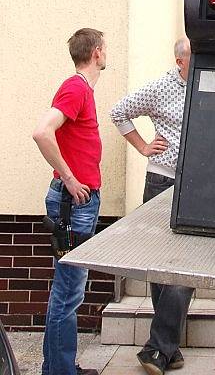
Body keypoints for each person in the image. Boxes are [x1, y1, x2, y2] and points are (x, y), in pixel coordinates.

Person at [110, 36, 192, 374]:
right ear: (179, 61)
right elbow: (119, 113)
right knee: (165, 264)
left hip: (196, 186)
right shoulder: (161, 87)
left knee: (185, 264)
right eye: (193, 56)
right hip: (162, 181)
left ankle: (161, 348)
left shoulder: (210, 81)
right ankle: (163, 348)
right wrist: (144, 146)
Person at [32, 28, 107, 375]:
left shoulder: (81, 90)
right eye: (104, 48)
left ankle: (57, 368)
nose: (106, 53)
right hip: (72, 204)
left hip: (76, 203)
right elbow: (41, 132)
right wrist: (71, 178)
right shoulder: (76, 87)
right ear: (95, 52)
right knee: (68, 293)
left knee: (66, 291)